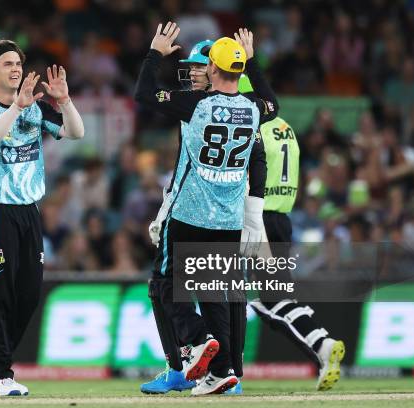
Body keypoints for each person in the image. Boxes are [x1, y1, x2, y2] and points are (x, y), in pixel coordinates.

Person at [135, 23, 277, 396]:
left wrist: (154, 54)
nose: (196, 74)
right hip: (228, 219)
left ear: (213, 70)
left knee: (164, 284)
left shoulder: (196, 104)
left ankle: (197, 342)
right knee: (217, 295)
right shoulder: (252, 108)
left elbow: (144, 94)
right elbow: (272, 103)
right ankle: (223, 372)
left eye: (203, 67)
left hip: (189, 213)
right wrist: (253, 62)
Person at [0, 39, 84, 397]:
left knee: (29, 295)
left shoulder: (35, 109)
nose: (16, 69)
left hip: (29, 213)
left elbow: (75, 132)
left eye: (18, 63)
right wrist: (16, 108)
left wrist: (64, 101)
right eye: (7, 64)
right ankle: (1, 376)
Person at [238, 76, 345, 391]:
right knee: (269, 299)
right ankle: (322, 345)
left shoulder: (250, 125)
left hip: (257, 216)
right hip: (281, 218)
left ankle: (321, 345)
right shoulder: (286, 128)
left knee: (251, 297)